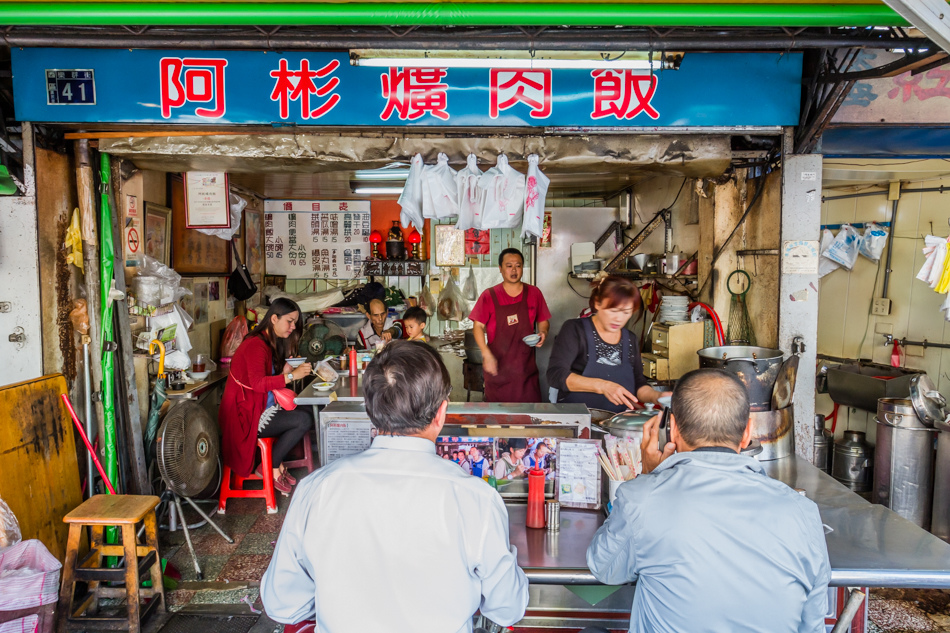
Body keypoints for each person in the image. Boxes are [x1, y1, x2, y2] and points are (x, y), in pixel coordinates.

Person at [261, 341, 529, 633]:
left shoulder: (316, 489)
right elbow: (507, 608)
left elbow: (282, 604)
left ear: (370, 410)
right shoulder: (475, 498)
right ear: (441, 413)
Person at [586, 369, 831, 633]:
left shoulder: (643, 499)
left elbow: (605, 569)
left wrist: (648, 478)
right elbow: (813, 624)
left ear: (674, 430)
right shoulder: (803, 512)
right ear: (748, 431)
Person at [219, 298, 314, 495]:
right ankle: (269, 465)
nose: (292, 327)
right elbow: (258, 384)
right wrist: (291, 376)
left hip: (261, 406)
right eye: (289, 321)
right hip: (246, 416)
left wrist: (286, 369)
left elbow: (267, 377)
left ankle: (273, 465)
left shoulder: (269, 342)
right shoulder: (256, 344)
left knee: (306, 411)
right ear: (273, 318)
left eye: (294, 322)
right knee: (303, 419)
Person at [547, 275, 668, 413]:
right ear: (598, 303)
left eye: (626, 312)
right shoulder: (575, 330)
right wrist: (603, 386)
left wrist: (657, 396)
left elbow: (638, 384)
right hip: (578, 420)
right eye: (613, 310)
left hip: (617, 424)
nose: (619, 318)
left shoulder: (630, 339)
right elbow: (555, 375)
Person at [470, 248, 551, 402]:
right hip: (498, 372)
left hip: (525, 373)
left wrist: (543, 332)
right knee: (499, 421)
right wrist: (486, 353)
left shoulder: (534, 293)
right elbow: (478, 326)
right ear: (500, 269)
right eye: (509, 266)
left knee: (529, 420)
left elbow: (543, 320)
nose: (514, 270)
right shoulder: (489, 295)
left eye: (518, 265)